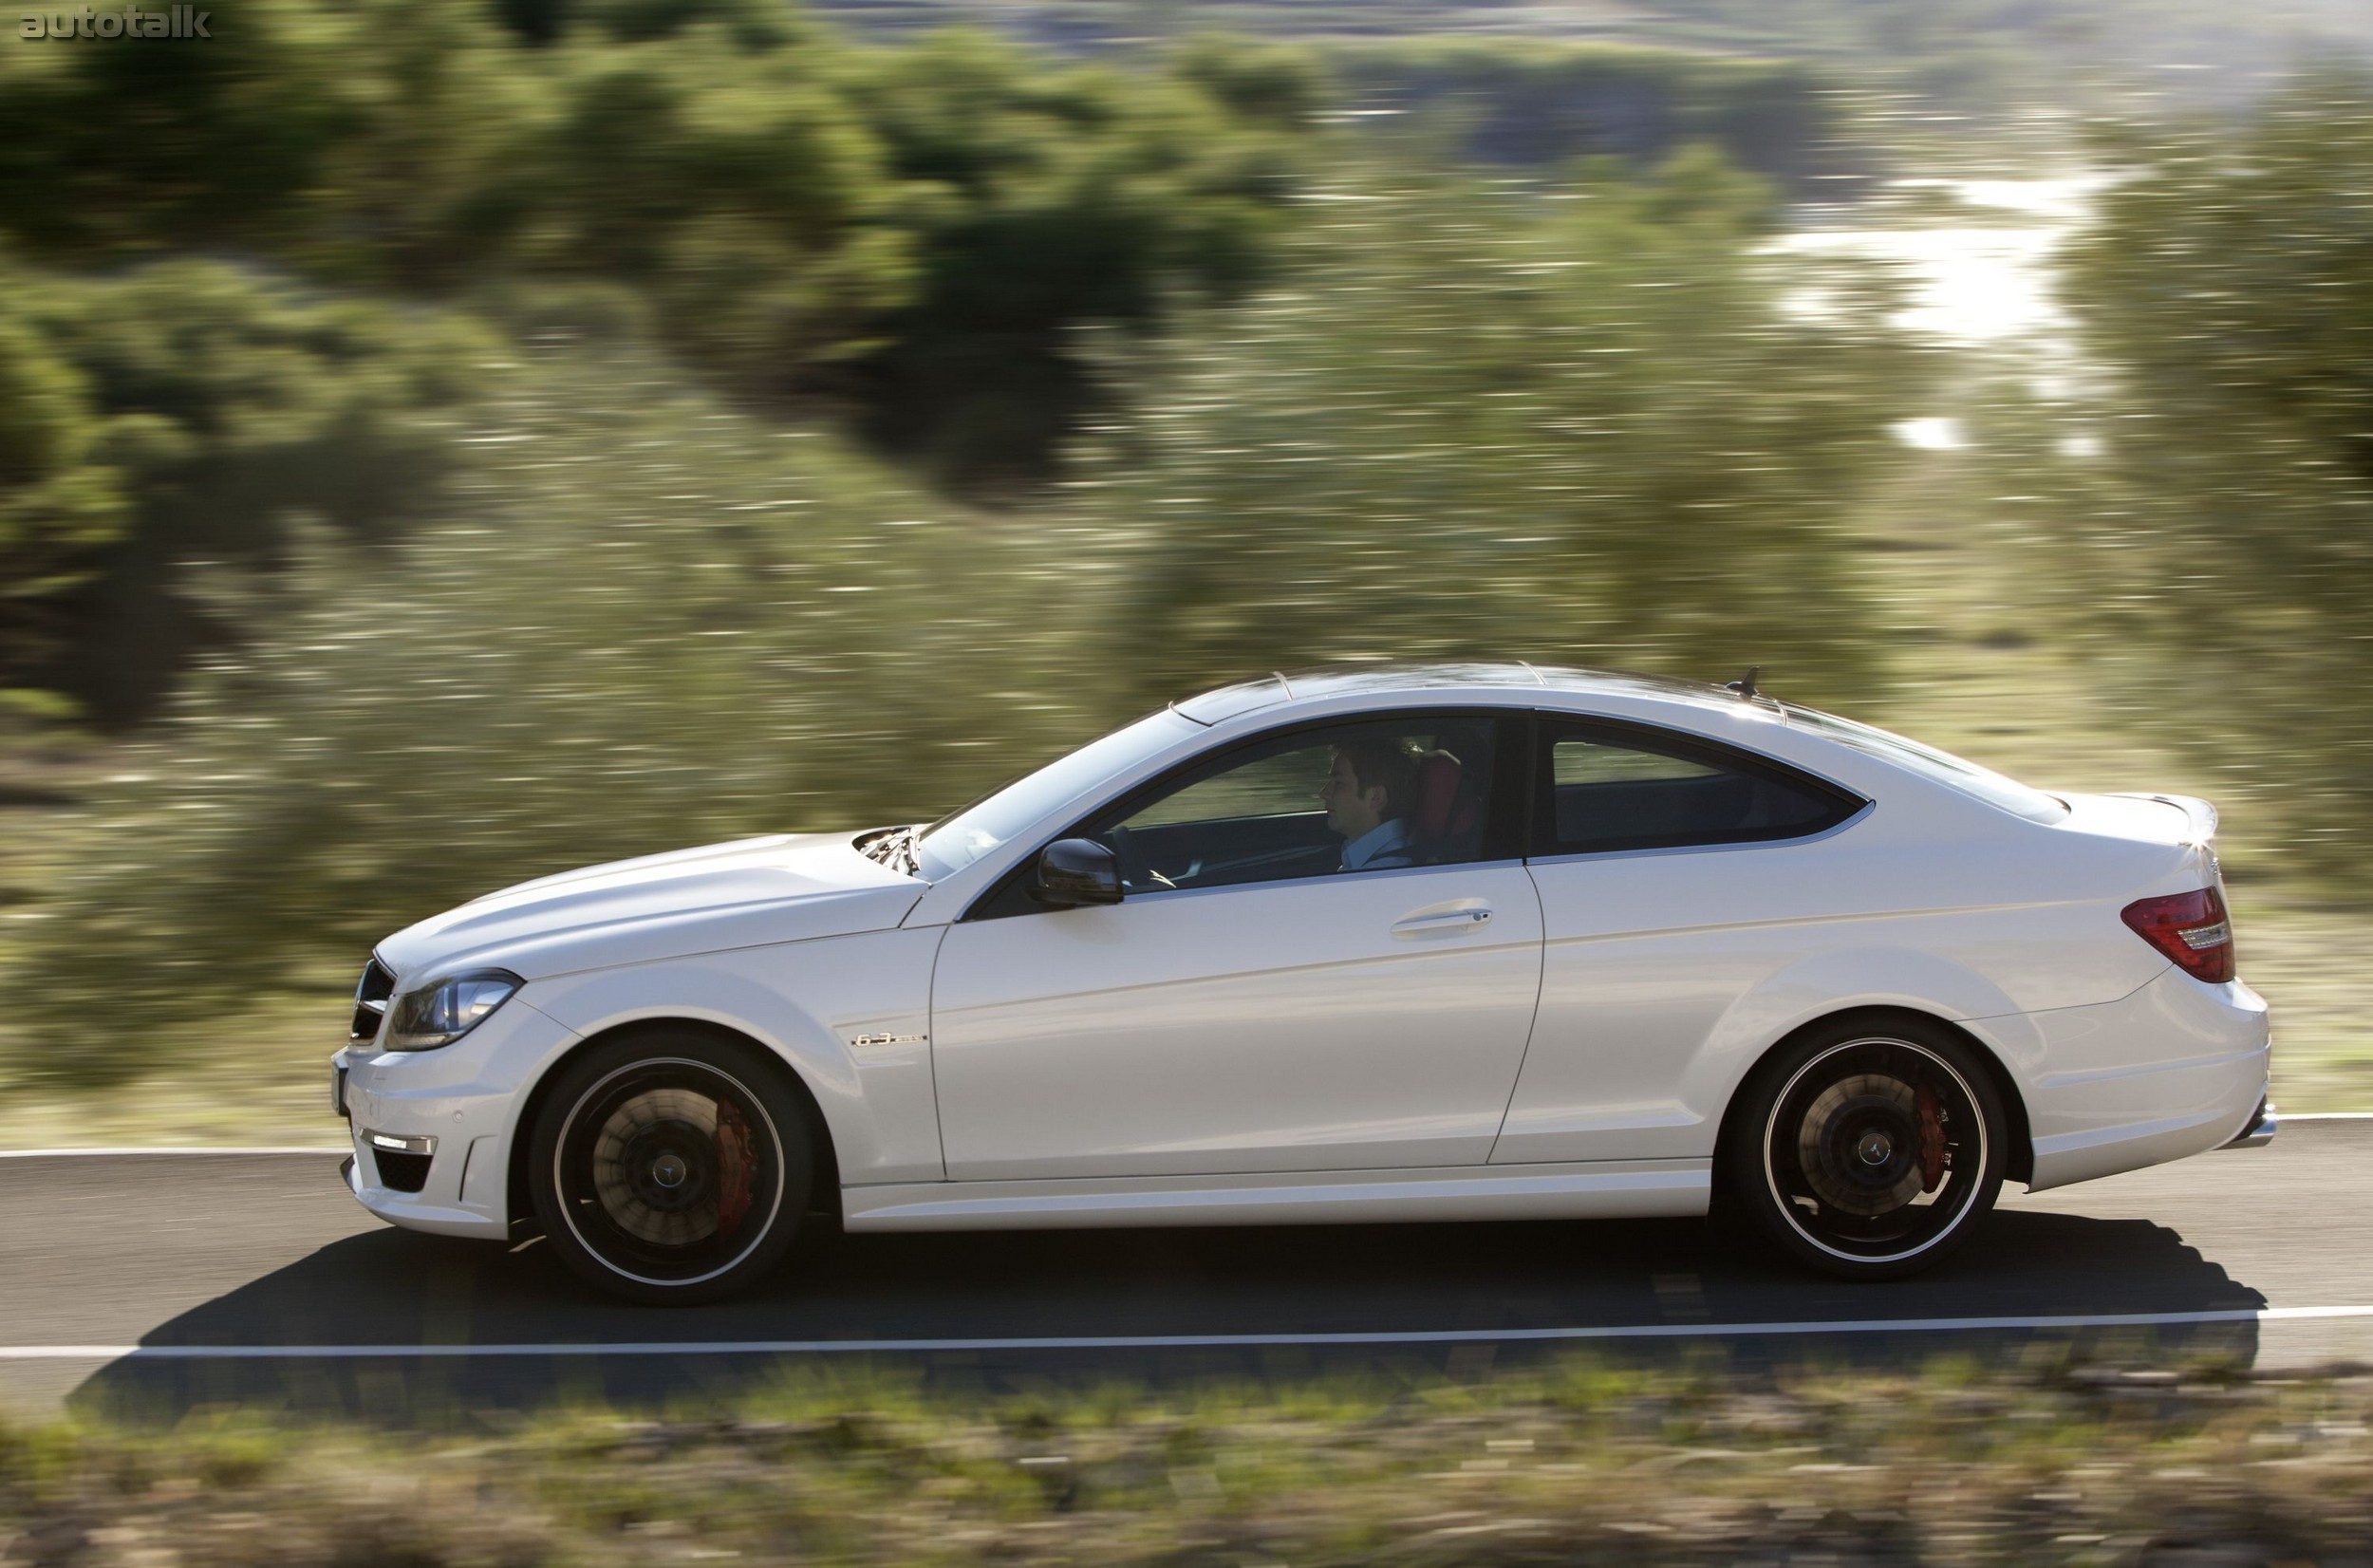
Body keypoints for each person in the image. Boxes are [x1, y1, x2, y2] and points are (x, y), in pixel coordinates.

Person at [1317, 735, 1420, 870]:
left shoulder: (1382, 873)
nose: (1323, 793)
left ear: (1375, 797)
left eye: (1339, 784)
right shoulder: (1368, 863)